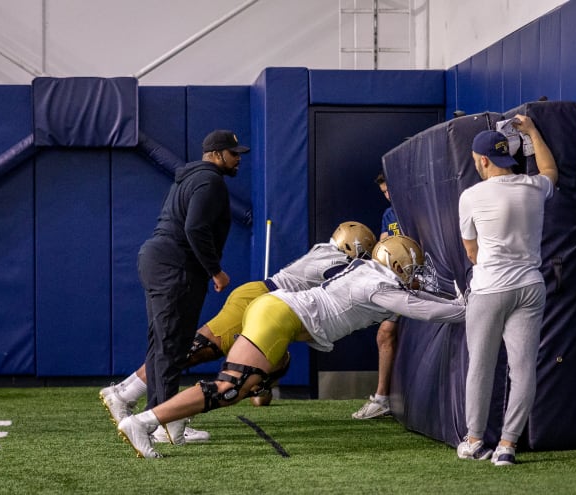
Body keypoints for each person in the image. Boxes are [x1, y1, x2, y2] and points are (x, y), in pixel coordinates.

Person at [116, 234, 467, 458]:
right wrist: (467, 307)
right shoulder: (378, 286)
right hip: (279, 315)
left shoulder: (369, 271)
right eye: (410, 268)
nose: (415, 274)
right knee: (230, 387)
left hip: (279, 312)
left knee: (268, 370)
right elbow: (425, 310)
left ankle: (171, 414)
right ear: (393, 265)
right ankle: (146, 421)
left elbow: (414, 295)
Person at [100, 221, 377, 442]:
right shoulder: (332, 259)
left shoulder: (326, 251)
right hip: (259, 299)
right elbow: (349, 276)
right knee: (192, 351)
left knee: (206, 355)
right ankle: (127, 394)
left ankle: (153, 408)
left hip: (263, 301)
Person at [130, 129, 249, 444]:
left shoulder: (188, 178)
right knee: (171, 348)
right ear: (215, 154)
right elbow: (194, 227)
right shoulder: (210, 181)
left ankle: (155, 418)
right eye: (233, 153)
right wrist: (216, 272)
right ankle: (164, 426)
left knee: (161, 346)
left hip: (157, 261)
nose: (238, 160)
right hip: (174, 266)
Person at [456, 115, 557, 466]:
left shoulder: (470, 196)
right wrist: (532, 131)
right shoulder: (533, 187)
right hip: (530, 286)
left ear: (483, 161)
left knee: (480, 367)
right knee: (523, 368)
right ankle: (507, 446)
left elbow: (472, 253)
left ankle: (472, 440)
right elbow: (550, 172)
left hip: (489, 289)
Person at [352, 172, 409, 420]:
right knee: (385, 332)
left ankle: (383, 398)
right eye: (384, 193)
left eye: (390, 191)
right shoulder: (388, 214)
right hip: (398, 280)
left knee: (387, 332)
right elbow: (383, 249)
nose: (388, 196)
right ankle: (383, 398)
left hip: (424, 280)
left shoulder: (421, 206)